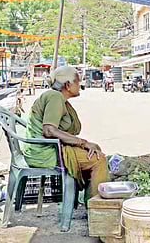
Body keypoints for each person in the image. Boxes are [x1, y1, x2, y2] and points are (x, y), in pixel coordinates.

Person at [24, 66, 108, 203]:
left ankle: (91, 201)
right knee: (99, 159)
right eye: (77, 81)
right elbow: (49, 130)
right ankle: (96, 206)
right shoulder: (55, 97)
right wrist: (83, 142)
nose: (79, 85)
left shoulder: (58, 98)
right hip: (46, 153)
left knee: (95, 149)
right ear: (68, 85)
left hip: (50, 149)